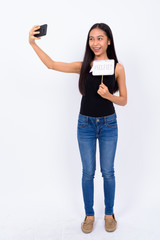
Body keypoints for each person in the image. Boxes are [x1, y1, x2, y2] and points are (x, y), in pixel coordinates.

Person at [28, 23, 127, 233]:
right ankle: (89, 215)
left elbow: (124, 100)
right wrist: (32, 44)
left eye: (100, 38)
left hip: (109, 124)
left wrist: (108, 95)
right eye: (92, 38)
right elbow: (52, 65)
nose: (95, 43)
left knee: (108, 172)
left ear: (109, 40)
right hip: (85, 125)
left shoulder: (118, 67)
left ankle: (109, 213)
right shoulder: (84, 66)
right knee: (88, 172)